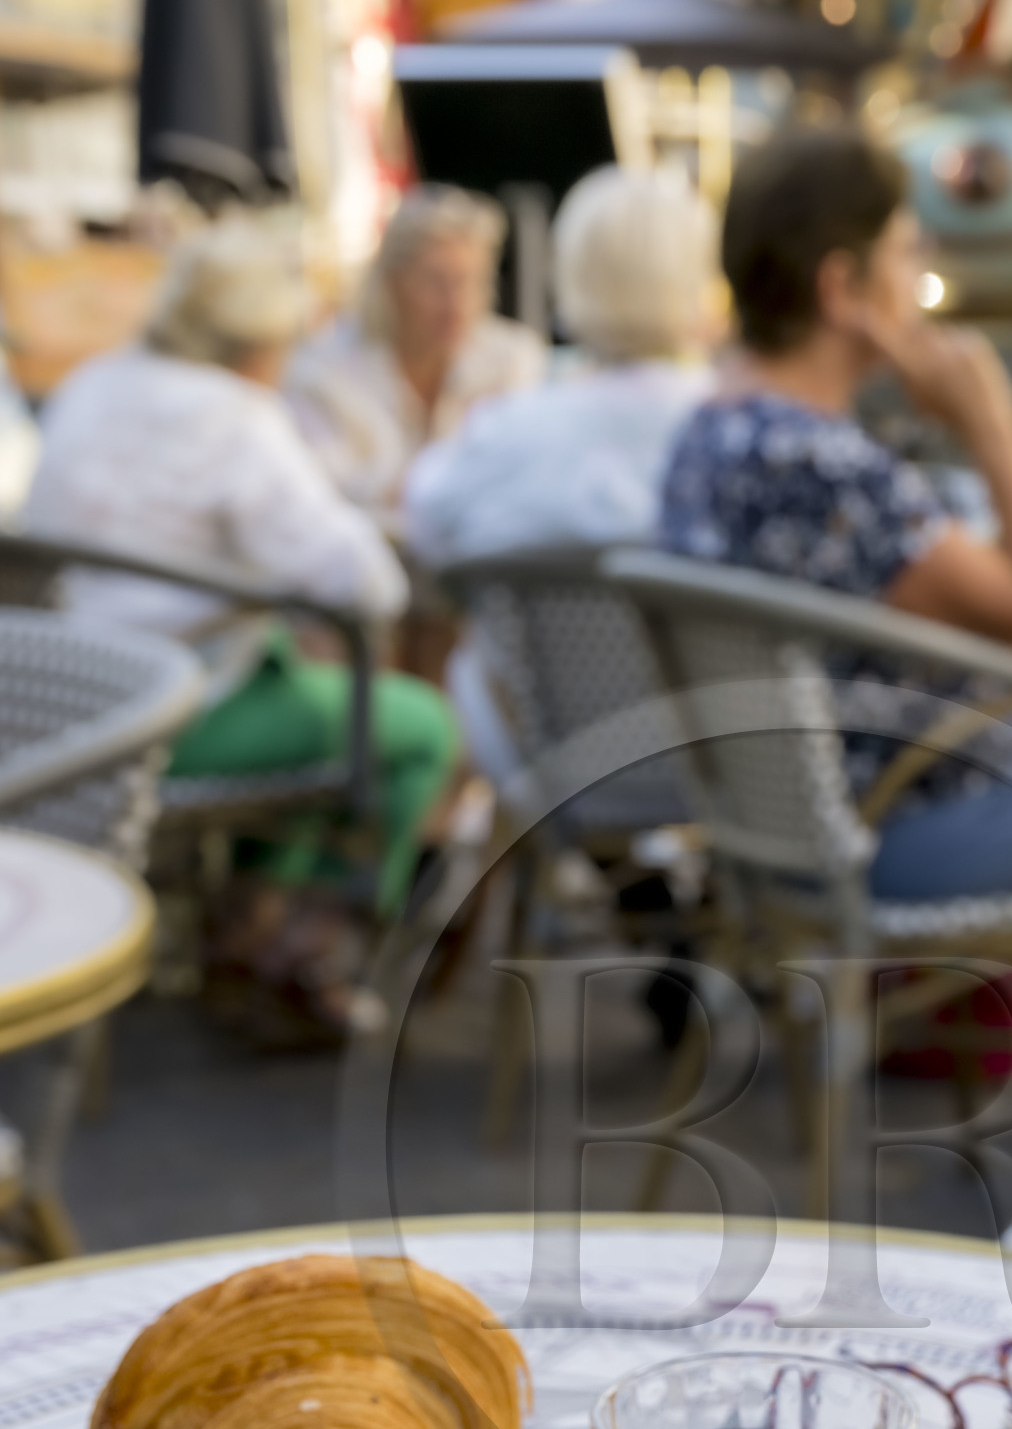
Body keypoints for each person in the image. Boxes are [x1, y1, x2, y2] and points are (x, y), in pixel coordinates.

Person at [658, 125, 1012, 906]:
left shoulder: (708, 434)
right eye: (903, 251)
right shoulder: (821, 465)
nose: (919, 274)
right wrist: (990, 424)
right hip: (894, 829)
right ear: (842, 289)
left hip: (774, 829)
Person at [25, 219, 461, 933]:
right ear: (261, 343)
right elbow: (371, 584)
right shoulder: (236, 417)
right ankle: (312, 931)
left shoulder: (92, 384)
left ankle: (257, 920)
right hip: (171, 718)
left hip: (69, 700)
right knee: (421, 729)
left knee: (297, 668)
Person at [406, 164, 718, 566]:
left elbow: (425, 525)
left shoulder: (509, 429)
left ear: (569, 274)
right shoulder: (741, 436)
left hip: (526, 629)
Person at [286, 185, 544, 524]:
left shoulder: (512, 357)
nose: (456, 303)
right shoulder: (320, 370)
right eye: (436, 282)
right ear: (392, 283)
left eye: (470, 281)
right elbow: (324, 490)